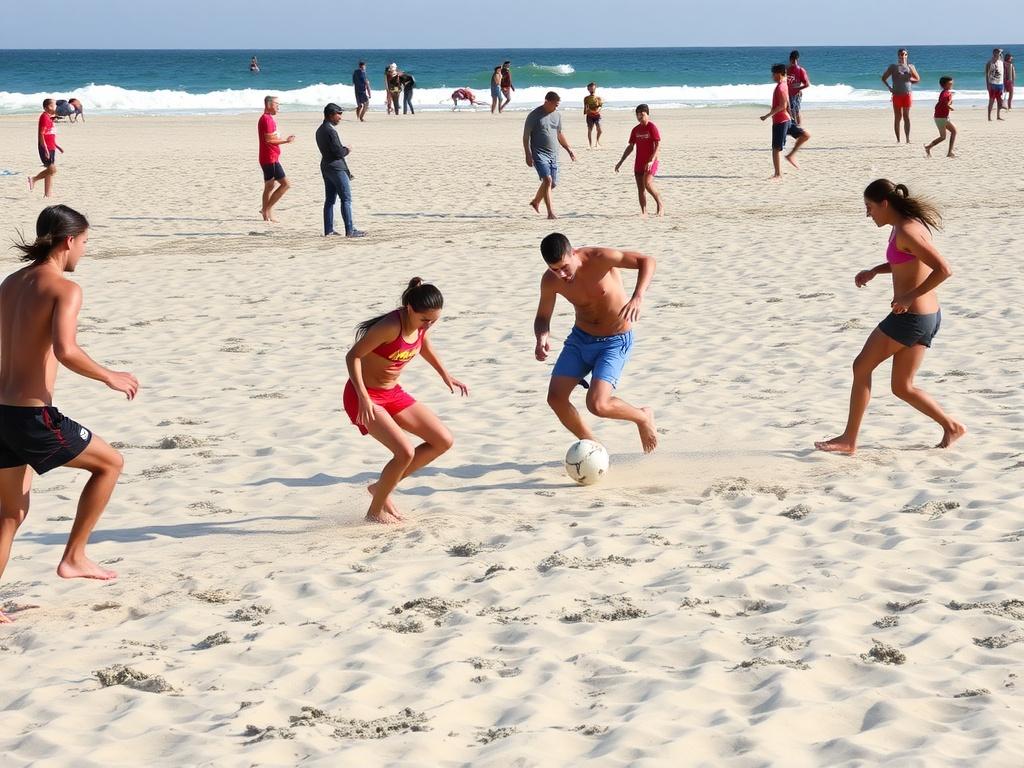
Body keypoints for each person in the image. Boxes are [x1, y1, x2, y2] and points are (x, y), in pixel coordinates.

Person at [0, 205, 140, 624]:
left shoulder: (9, 283)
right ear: (67, 241)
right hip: (32, 417)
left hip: (1, 413)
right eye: (84, 243)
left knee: (9, 513)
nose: (83, 251)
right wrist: (108, 376)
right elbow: (66, 350)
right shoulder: (63, 288)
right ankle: (75, 557)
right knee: (110, 464)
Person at [815, 180, 965, 455]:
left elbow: (943, 270)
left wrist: (908, 297)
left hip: (911, 317)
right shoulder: (905, 226)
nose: (868, 214)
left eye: (870, 207)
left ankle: (849, 440)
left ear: (885, 203)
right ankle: (952, 426)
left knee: (861, 367)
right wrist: (875, 270)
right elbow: (905, 261)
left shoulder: (907, 230)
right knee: (902, 386)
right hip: (928, 317)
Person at [344, 279, 467, 524]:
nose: (429, 325)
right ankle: (374, 512)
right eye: (425, 320)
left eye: (434, 320)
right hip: (364, 396)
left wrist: (445, 374)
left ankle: (381, 486)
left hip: (392, 393)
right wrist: (364, 397)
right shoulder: (390, 326)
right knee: (404, 452)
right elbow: (353, 356)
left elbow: (423, 345)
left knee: (443, 440)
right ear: (409, 308)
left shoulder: (421, 324)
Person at [534, 233, 657, 454]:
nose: (562, 274)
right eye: (555, 269)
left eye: (564, 266)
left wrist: (638, 296)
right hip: (580, 339)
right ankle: (594, 448)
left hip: (615, 341)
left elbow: (646, 261)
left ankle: (642, 416)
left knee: (598, 405)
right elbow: (542, 317)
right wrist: (541, 336)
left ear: (573, 253)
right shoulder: (551, 281)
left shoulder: (599, 258)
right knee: (555, 398)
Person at [315, 103, 365, 238]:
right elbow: (338, 152)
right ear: (331, 115)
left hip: (326, 166)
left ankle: (329, 230)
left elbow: (331, 150)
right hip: (336, 168)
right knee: (346, 199)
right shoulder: (330, 130)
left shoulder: (320, 130)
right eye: (339, 114)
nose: (340, 117)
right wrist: (347, 149)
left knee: (330, 200)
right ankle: (350, 230)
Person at [523, 92, 576, 219]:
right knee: (548, 180)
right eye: (554, 105)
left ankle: (536, 201)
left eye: (558, 105)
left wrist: (568, 149)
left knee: (552, 184)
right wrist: (528, 154)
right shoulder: (534, 116)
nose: (556, 107)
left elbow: (559, 134)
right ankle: (550, 213)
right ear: (547, 101)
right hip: (539, 153)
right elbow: (526, 137)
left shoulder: (557, 115)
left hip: (554, 154)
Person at [760, 64, 810, 179]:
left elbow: (782, 106)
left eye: (773, 74)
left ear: (778, 74)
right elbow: (787, 103)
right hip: (787, 119)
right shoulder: (785, 85)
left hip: (780, 121)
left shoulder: (780, 87)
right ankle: (790, 156)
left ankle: (778, 174)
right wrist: (792, 116)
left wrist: (767, 115)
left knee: (776, 148)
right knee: (805, 135)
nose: (772, 76)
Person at [614, 104, 664, 217]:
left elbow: (658, 145)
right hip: (639, 162)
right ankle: (644, 212)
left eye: (642, 114)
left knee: (647, 184)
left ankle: (660, 205)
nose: (640, 117)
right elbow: (631, 147)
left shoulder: (652, 127)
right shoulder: (635, 130)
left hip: (652, 161)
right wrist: (621, 161)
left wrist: (652, 160)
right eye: (638, 115)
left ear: (647, 114)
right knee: (640, 189)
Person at [257, 95, 295, 223]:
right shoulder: (266, 119)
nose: (278, 107)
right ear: (269, 105)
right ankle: (266, 210)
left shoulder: (267, 118)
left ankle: (266, 212)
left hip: (270, 157)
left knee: (270, 186)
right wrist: (285, 141)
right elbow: (269, 139)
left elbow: (270, 138)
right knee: (284, 184)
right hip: (269, 158)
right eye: (276, 104)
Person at [881, 49, 920, 142]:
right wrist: (889, 88)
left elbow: (917, 79)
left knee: (906, 116)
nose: (903, 56)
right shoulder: (893, 67)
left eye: (905, 54)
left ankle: (907, 139)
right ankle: (898, 139)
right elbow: (883, 78)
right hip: (897, 94)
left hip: (907, 94)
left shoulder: (911, 66)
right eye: (901, 54)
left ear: (907, 55)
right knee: (898, 117)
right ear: (898, 56)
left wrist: (909, 80)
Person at [28, 99, 61, 197]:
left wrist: (57, 146)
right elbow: (41, 135)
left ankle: (47, 194)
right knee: (52, 170)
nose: (55, 107)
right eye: (53, 105)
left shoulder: (49, 118)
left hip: (51, 147)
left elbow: (50, 134)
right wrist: (45, 149)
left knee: (49, 172)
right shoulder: (44, 117)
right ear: (47, 107)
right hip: (45, 147)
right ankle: (33, 179)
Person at [924, 77, 957, 158]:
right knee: (953, 132)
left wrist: (949, 103)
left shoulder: (945, 92)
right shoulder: (946, 93)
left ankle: (928, 147)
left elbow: (943, 103)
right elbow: (944, 103)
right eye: (949, 84)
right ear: (944, 85)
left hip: (939, 117)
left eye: (951, 83)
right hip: (941, 117)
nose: (951, 85)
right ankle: (950, 152)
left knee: (943, 137)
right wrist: (950, 106)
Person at [786, 50, 811, 126]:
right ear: (790, 59)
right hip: (787, 94)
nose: (793, 61)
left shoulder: (800, 70)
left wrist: (798, 89)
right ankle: (793, 126)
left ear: (797, 59)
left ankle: (798, 127)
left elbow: (807, 84)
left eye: (794, 59)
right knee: (789, 110)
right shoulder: (787, 69)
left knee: (796, 111)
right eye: (792, 59)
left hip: (796, 95)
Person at [985, 48, 1006, 121]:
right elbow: (987, 75)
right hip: (992, 84)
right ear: (994, 53)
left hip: (1000, 84)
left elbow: (1003, 73)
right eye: (998, 53)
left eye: (1000, 53)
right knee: (991, 101)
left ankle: (998, 116)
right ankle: (989, 117)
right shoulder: (989, 62)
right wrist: (988, 85)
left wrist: (1004, 84)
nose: (999, 54)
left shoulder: (1001, 62)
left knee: (999, 101)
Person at [583, 82, 603, 148]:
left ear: (595, 89)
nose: (592, 90)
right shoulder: (586, 98)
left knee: (600, 130)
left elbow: (600, 106)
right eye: (590, 89)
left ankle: (597, 142)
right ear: (588, 89)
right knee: (590, 130)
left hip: (597, 116)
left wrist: (597, 111)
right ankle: (590, 144)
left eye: (593, 88)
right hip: (590, 116)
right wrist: (587, 111)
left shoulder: (598, 98)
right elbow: (585, 108)